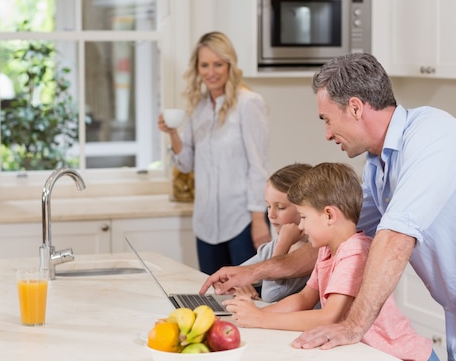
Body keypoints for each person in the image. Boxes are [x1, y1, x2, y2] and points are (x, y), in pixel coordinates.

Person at [201, 52, 456, 361]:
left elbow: (395, 238)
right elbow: (336, 240)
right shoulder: (378, 168)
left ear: (355, 108)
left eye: (326, 119)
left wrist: (353, 326)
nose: (327, 134)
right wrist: (254, 272)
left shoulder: (432, 137)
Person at [225, 162, 436, 361]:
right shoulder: (327, 250)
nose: (301, 227)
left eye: (304, 217)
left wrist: (261, 320)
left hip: (404, 356)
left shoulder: (355, 252)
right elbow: (304, 298)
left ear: (329, 215)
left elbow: (329, 317)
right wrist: (257, 314)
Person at [157, 31, 271, 275]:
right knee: (215, 297)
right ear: (197, 68)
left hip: (242, 222)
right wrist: (173, 133)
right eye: (205, 65)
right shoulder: (198, 108)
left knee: (250, 298)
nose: (211, 72)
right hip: (206, 225)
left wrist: (259, 220)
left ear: (229, 64)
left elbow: (257, 166)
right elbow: (186, 164)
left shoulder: (248, 103)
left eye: (218, 64)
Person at [236, 163, 313, 302]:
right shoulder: (273, 246)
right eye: (268, 206)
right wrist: (240, 284)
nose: (270, 214)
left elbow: (271, 295)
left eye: (280, 207)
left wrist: (284, 243)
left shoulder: (309, 252)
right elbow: (235, 275)